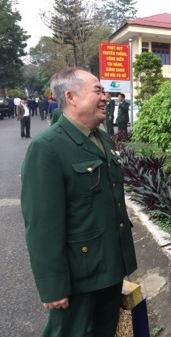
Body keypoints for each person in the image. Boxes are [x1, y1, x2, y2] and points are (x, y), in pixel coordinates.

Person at [21, 67, 137, 337]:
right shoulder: (47, 147)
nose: (105, 97)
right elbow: (41, 226)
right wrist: (53, 287)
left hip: (109, 266)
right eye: (98, 90)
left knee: (104, 331)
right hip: (79, 277)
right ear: (71, 97)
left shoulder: (101, 138)